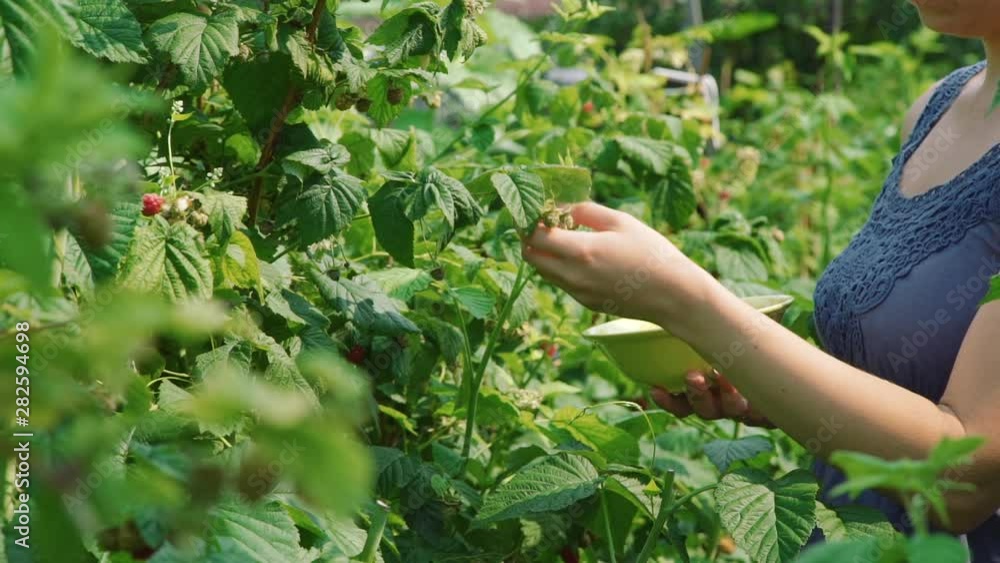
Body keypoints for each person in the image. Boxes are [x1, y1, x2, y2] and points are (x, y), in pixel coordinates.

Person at [521, 1, 1000, 559]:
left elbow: (963, 481)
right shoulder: (936, 109)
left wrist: (683, 298)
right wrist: (772, 382)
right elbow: (905, 371)